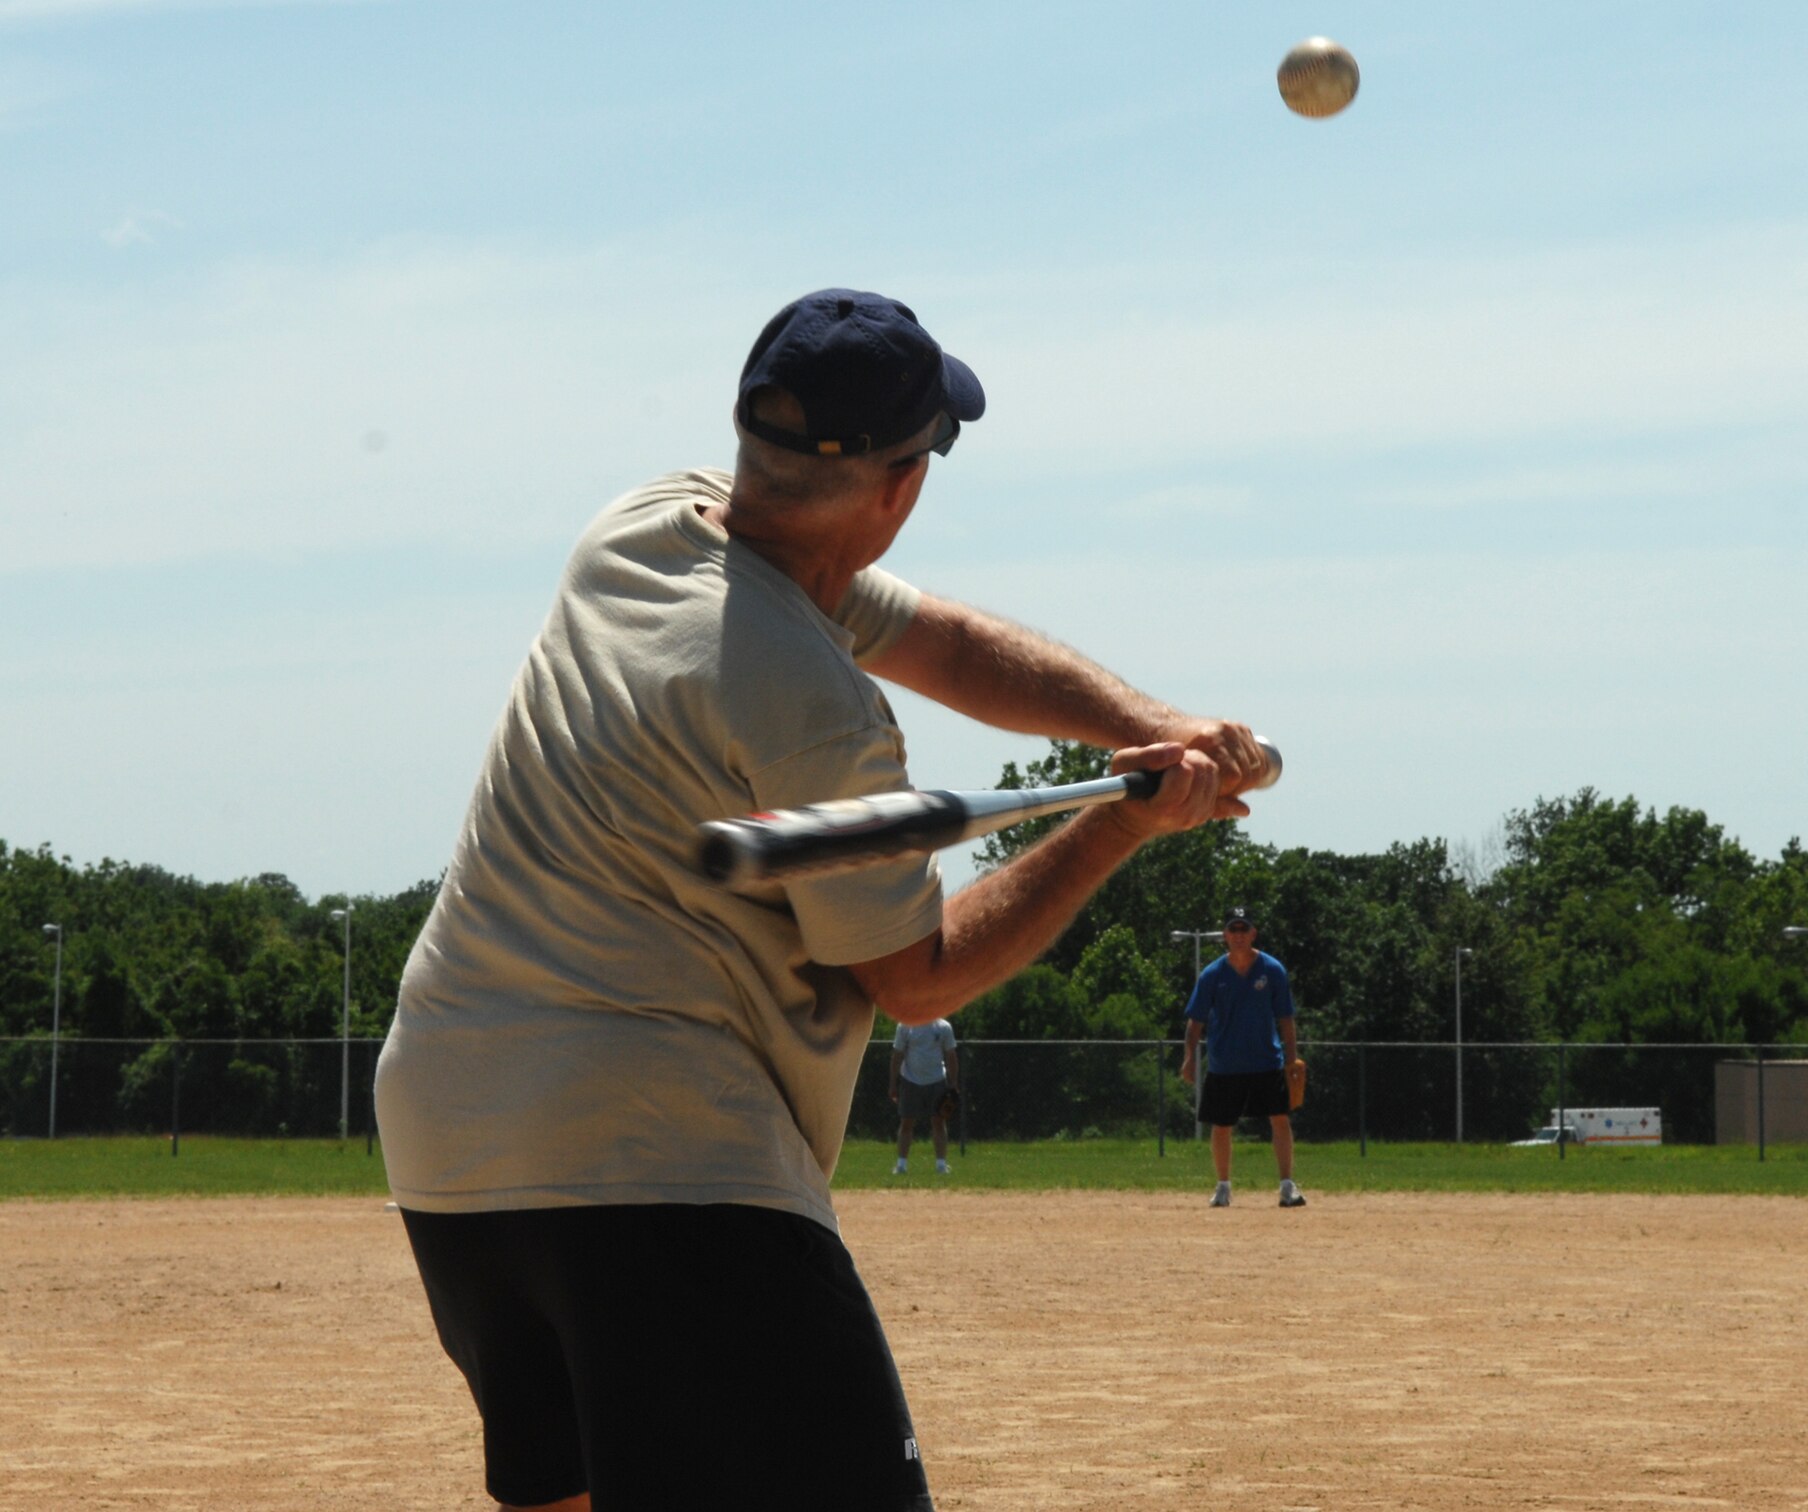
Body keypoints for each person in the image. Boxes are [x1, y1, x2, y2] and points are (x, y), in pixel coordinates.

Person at [375, 287, 1273, 1512]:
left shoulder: (644, 527)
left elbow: (945, 645)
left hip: (450, 1141)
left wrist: (1151, 730)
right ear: (899, 490)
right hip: (657, 1158)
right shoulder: (812, 705)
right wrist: (1117, 822)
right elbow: (913, 978)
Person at [1181, 905, 1305, 1210]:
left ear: (1253, 933)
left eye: (1243, 929)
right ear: (1225, 935)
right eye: (1233, 929)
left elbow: (1286, 1019)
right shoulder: (1213, 974)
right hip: (1225, 1063)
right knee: (1221, 1125)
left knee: (1279, 1119)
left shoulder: (1272, 970)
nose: (1238, 935)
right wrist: (1189, 1058)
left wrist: (1291, 1060)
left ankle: (1287, 1186)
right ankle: (1223, 1187)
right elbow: (1195, 1021)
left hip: (1266, 1060)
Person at [888, 1018, 959, 1174]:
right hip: (910, 1080)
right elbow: (897, 1055)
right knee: (906, 1122)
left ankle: (941, 1165)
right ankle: (901, 1165)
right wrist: (893, 1083)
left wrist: (953, 1083)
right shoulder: (905, 1026)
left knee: (939, 1122)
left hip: (937, 1080)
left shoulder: (944, 1027)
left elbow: (951, 1055)